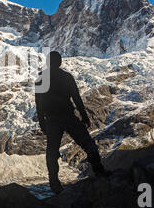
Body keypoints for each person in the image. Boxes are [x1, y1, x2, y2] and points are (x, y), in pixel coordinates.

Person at [35, 51, 108, 194]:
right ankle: (99, 172)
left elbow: (39, 103)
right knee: (87, 143)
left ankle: (54, 184)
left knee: (51, 152)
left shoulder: (41, 78)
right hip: (68, 116)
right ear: (60, 62)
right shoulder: (67, 77)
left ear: (48, 62)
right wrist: (84, 116)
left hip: (52, 119)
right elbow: (76, 98)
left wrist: (42, 122)